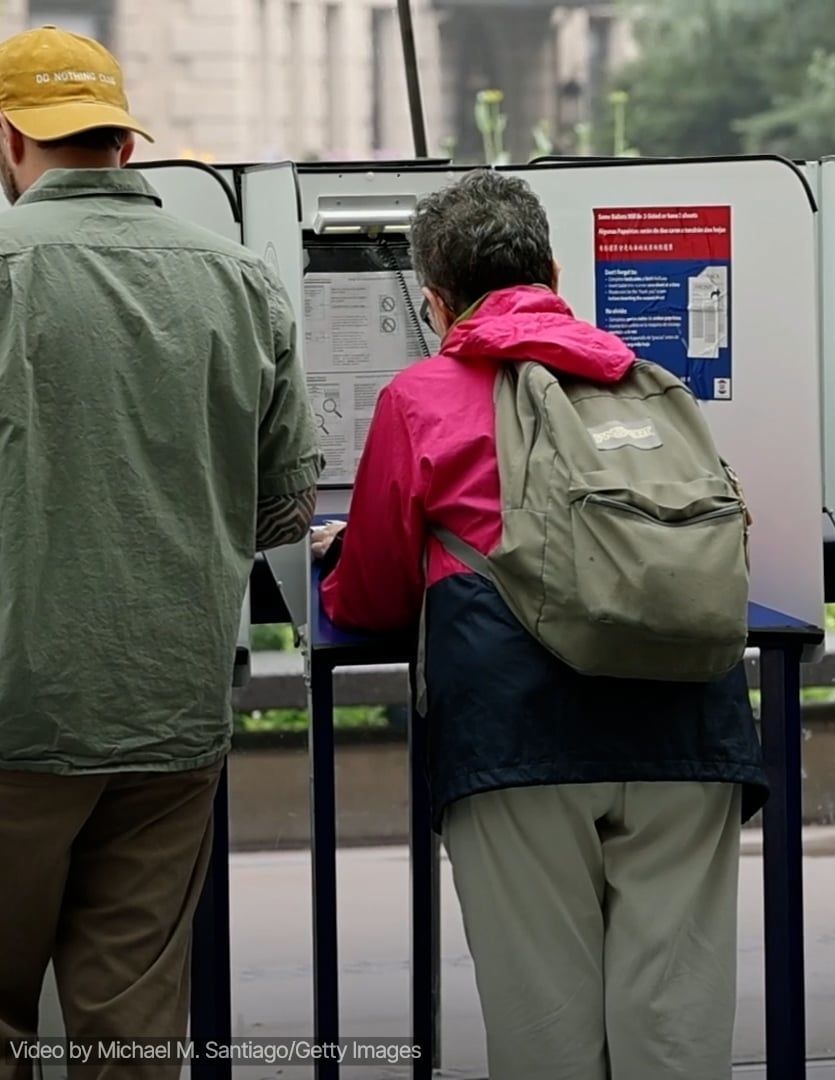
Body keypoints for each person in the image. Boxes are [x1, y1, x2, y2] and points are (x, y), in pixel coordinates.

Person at [313, 171, 764, 1080]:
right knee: (675, 1027)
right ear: (556, 270)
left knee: (545, 1028)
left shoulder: (421, 398)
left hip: (517, 738)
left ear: (437, 302)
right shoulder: (650, 386)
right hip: (690, 729)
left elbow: (371, 598)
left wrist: (339, 557)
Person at [0, 27, 321, 1076]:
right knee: (132, 1033)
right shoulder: (241, 282)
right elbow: (283, 512)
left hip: (13, 719)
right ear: (124, 146)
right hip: (171, 715)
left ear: (10, 141)